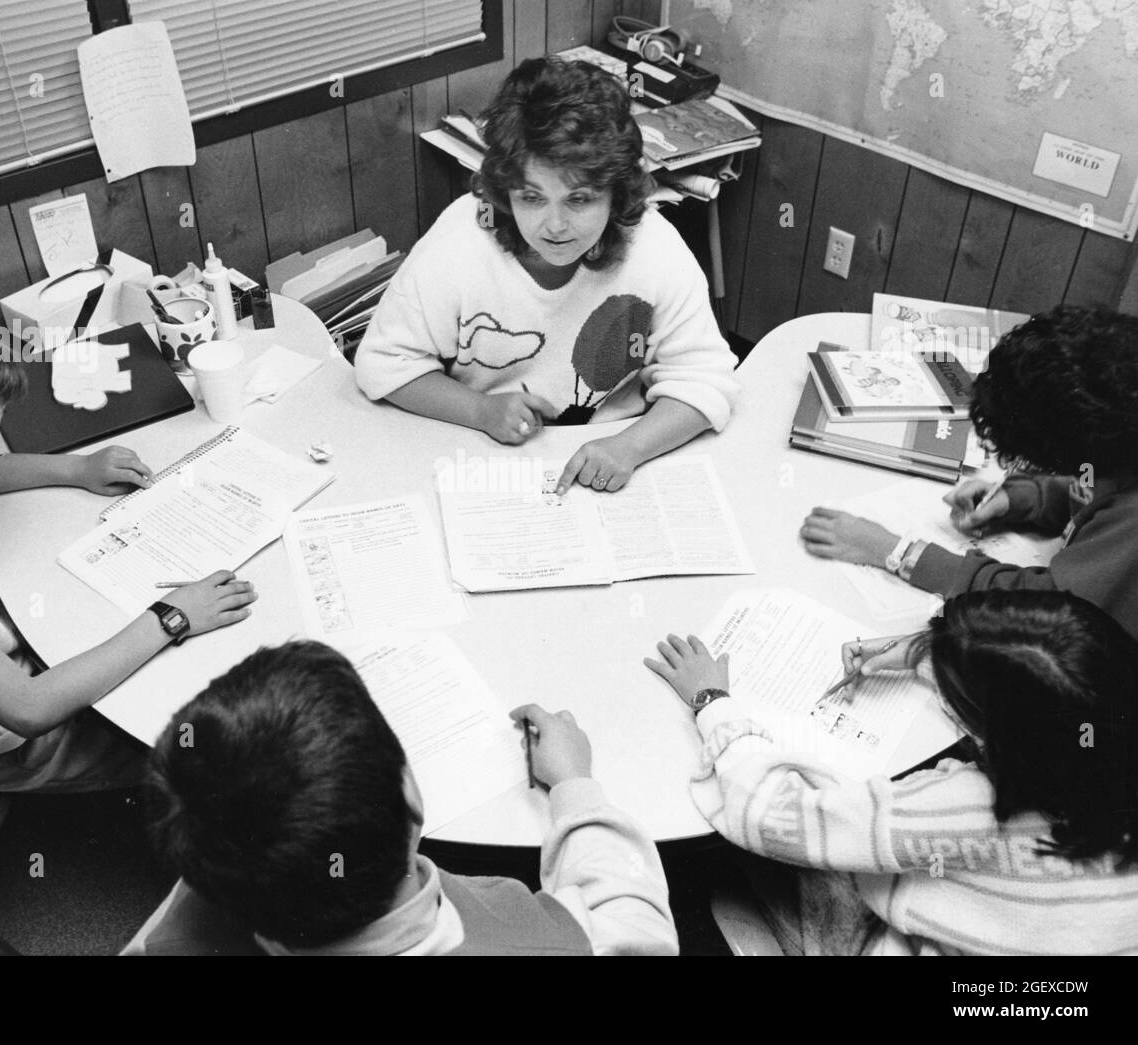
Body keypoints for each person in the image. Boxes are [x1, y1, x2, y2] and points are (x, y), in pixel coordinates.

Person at [0, 304, 257, 791]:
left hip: (5, 664)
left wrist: (76, 469)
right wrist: (172, 617)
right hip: (9, 743)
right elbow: (28, 709)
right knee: (211, 749)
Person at [644, 589, 1138, 955]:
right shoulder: (1098, 753)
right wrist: (928, 653)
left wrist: (712, 703)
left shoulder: (965, 805)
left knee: (762, 850)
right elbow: (1041, 693)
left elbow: (774, 814)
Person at [127, 640, 678, 955]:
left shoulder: (204, 888)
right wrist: (574, 785)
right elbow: (636, 924)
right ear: (413, 799)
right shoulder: (541, 947)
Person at [354, 57, 739, 495]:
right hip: (485, 452)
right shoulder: (458, 243)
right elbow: (383, 364)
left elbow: (708, 380)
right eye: (532, 198)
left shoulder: (653, 246)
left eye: (579, 200)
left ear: (616, 194)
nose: (554, 226)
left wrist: (628, 447)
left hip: (613, 455)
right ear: (504, 192)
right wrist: (479, 410)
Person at [800, 305, 1138, 637]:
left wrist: (899, 553)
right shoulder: (1117, 434)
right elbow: (1090, 480)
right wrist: (1023, 498)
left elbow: (1053, 611)